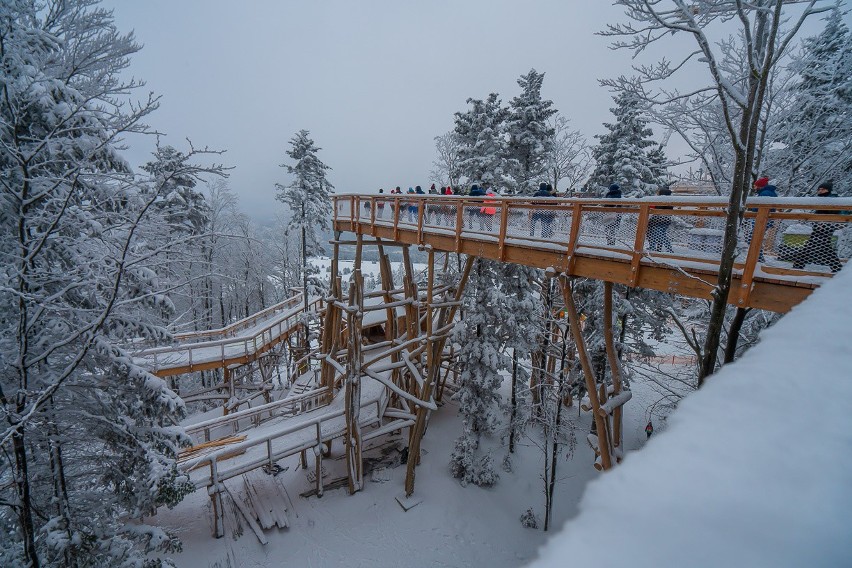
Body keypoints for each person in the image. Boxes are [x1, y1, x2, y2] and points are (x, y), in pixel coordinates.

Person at [793, 181, 844, 272]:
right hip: (821, 225)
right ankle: (837, 267)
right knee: (820, 246)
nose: (820, 191)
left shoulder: (830, 200)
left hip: (824, 226)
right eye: (819, 189)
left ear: (828, 190)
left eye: (823, 189)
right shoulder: (824, 198)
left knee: (817, 246)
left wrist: (822, 223)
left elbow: (831, 213)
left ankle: (798, 264)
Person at [746, 177, 777, 262]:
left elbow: (760, 207)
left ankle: (758, 259)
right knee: (754, 239)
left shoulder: (765, 193)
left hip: (762, 220)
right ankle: (758, 258)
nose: (754, 188)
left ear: (760, 186)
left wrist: (753, 209)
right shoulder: (769, 192)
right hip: (765, 219)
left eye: (756, 186)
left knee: (753, 239)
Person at [647, 187, 673, 253]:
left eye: (659, 193)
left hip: (659, 220)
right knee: (659, 234)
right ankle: (656, 248)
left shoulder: (664, 200)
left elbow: (658, 208)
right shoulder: (670, 200)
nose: (657, 194)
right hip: (663, 220)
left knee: (659, 234)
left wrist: (651, 206)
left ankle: (669, 249)